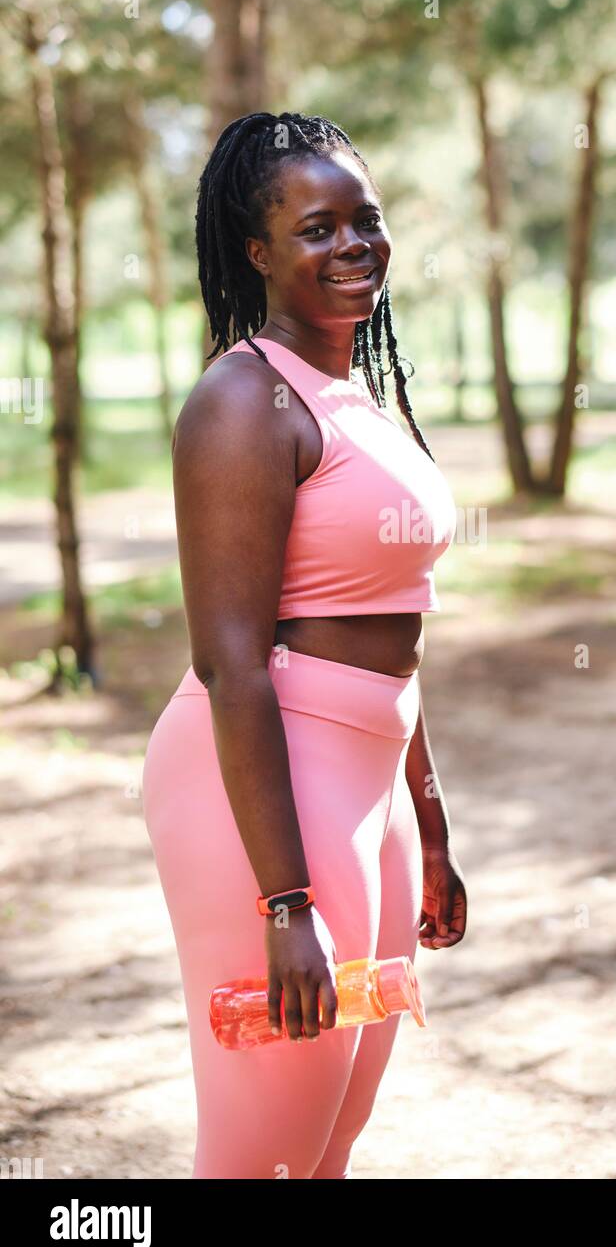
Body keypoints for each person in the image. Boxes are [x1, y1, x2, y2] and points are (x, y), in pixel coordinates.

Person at [141, 111, 467, 1179]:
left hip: (363, 791)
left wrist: (427, 827)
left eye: (364, 222)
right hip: (264, 793)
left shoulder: (361, 400)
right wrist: (283, 903)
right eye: (317, 227)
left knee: (329, 1139)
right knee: (261, 1149)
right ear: (257, 251)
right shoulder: (242, 401)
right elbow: (229, 665)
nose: (354, 246)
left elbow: (400, 634)